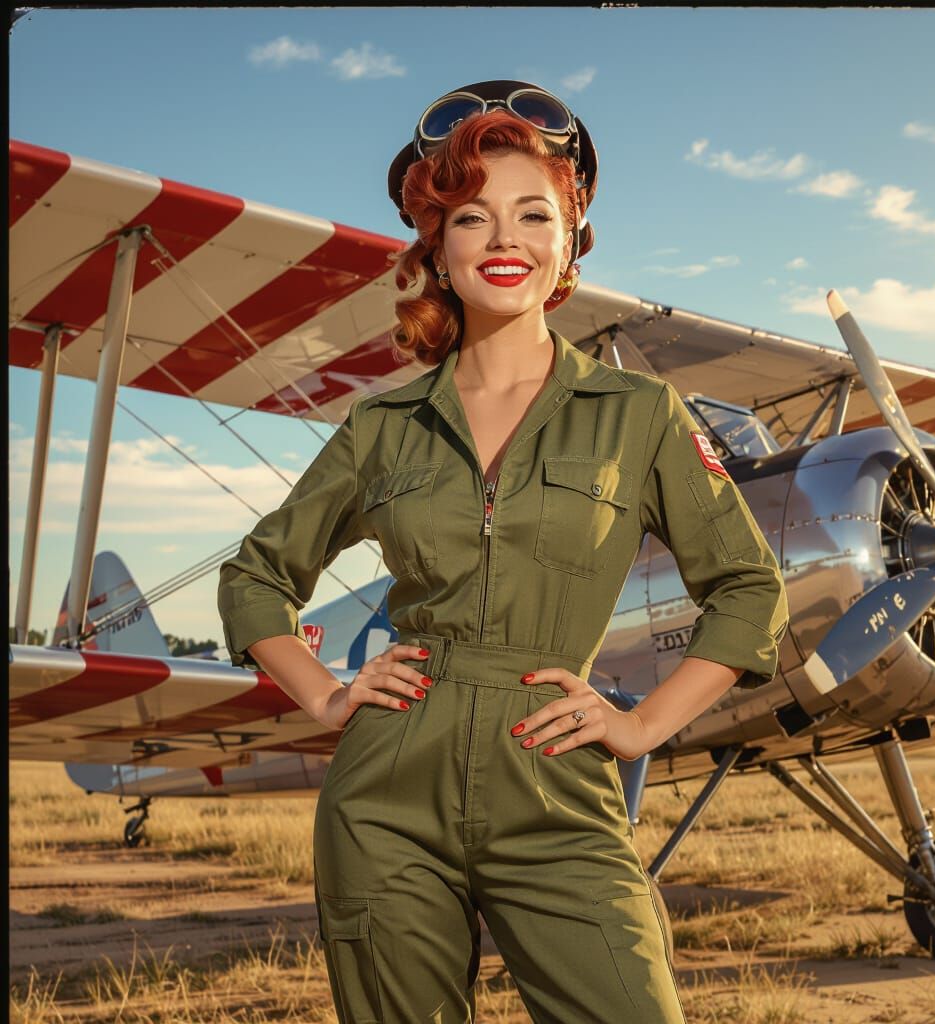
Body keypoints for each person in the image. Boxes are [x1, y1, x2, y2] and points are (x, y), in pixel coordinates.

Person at [218, 80, 788, 1024]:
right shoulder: (383, 426)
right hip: (387, 793)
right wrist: (327, 697)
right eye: (471, 217)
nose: (502, 239)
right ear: (437, 249)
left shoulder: (639, 414)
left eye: (533, 213)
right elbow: (254, 577)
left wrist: (641, 727)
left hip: (556, 783)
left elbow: (748, 588)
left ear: (570, 241)